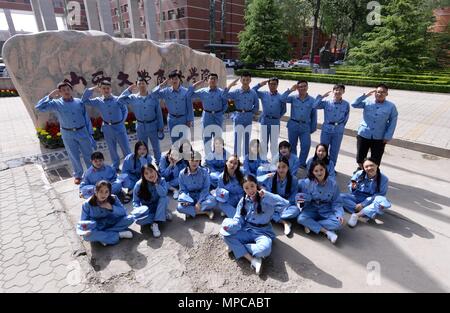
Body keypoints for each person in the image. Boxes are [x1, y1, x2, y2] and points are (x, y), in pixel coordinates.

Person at [220, 175, 284, 275]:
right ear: (243, 189)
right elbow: (238, 219)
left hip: (263, 232)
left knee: (264, 250)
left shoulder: (266, 198)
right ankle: (253, 260)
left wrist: (267, 195)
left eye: (252, 186)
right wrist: (231, 226)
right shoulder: (243, 201)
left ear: (256, 185)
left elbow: (284, 204)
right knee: (225, 235)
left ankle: (237, 247)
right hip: (247, 229)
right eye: (246, 188)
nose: (250, 190)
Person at [35, 81, 95, 184]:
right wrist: (50, 96)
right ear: (59, 92)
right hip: (68, 134)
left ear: (71, 90)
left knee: (88, 153)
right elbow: (39, 107)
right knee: (73, 155)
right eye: (63, 90)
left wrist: (90, 134)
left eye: (68, 89)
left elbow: (86, 118)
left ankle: (92, 173)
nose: (66, 91)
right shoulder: (56, 103)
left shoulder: (79, 102)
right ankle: (78, 175)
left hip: (82, 131)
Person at [82, 80, 131, 171]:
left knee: (126, 148)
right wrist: (92, 89)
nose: (106, 90)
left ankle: (130, 166)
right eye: (103, 88)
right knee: (112, 149)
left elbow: (125, 111)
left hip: (119, 127)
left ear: (111, 89)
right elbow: (84, 100)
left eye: (108, 88)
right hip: (107, 128)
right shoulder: (98, 101)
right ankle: (116, 166)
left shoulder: (118, 99)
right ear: (100, 90)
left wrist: (121, 121)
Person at [351, 84, 398, 170]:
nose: (380, 94)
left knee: (376, 159)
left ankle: (373, 175)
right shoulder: (367, 102)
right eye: (378, 92)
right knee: (360, 158)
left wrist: (388, 136)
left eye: (383, 92)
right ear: (375, 92)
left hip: (379, 137)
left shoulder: (391, 106)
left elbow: (393, 122)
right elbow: (354, 104)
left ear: (387, 94)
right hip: (364, 134)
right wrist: (364, 96)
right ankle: (361, 172)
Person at [297, 160, 345, 244]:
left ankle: (311, 225)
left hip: (326, 210)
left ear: (325, 169)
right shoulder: (306, 182)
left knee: (339, 223)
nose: (319, 173)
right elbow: (297, 192)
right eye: (316, 171)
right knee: (301, 219)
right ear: (312, 172)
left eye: (321, 169)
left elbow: (337, 202)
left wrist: (339, 215)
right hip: (312, 208)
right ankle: (327, 232)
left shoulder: (333, 184)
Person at [118, 77, 164, 164]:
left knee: (156, 147)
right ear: (137, 85)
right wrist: (128, 90)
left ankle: (159, 163)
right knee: (142, 147)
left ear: (147, 85)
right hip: (140, 126)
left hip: (153, 125)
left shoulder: (153, 97)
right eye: (139, 83)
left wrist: (160, 127)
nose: (142, 85)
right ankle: (145, 164)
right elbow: (120, 100)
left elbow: (159, 113)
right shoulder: (133, 98)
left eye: (143, 83)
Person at [77, 181, 134, 246]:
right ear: (96, 192)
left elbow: (123, 212)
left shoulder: (113, 198)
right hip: (97, 226)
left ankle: (103, 237)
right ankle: (119, 235)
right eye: (101, 191)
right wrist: (86, 230)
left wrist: (111, 207)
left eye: (106, 192)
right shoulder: (87, 204)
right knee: (86, 237)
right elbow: (84, 221)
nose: (103, 194)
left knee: (130, 218)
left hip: (112, 222)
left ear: (109, 192)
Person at [341, 158, 391, 227]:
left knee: (382, 201)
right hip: (357, 197)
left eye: (371, 165)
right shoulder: (359, 174)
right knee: (339, 197)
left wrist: (363, 204)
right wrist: (352, 187)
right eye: (366, 167)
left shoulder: (384, 179)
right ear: (363, 168)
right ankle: (365, 213)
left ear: (377, 165)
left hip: (371, 200)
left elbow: (379, 194)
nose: (369, 168)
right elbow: (351, 185)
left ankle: (356, 215)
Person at [258, 156, 299, 236]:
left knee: (296, 210)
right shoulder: (272, 177)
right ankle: (284, 222)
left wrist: (284, 206)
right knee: (263, 205)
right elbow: (269, 195)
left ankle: (274, 217)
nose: (281, 170)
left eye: (284, 167)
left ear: (288, 167)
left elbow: (293, 197)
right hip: (274, 204)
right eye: (278, 167)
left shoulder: (293, 179)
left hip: (286, 205)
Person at [189, 73, 228, 155]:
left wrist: (220, 113)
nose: (213, 80)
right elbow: (189, 94)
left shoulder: (221, 92)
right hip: (207, 116)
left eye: (214, 79)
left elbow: (225, 104)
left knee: (218, 138)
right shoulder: (203, 91)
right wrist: (197, 84)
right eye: (211, 78)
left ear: (217, 80)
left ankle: (217, 158)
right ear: (208, 81)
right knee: (207, 138)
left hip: (218, 116)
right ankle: (208, 158)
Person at [282, 80, 317, 168]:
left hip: (305, 126)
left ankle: (301, 162)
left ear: (307, 87)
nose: (302, 88)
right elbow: (282, 99)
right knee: (292, 145)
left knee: (306, 145)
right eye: (300, 87)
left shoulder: (312, 100)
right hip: (293, 124)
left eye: (304, 86)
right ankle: (294, 162)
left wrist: (313, 128)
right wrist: (290, 90)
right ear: (297, 88)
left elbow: (314, 115)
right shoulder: (293, 98)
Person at [223, 71, 259, 158]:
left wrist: (251, 113)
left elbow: (256, 105)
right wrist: (231, 85)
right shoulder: (236, 92)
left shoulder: (253, 93)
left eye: (247, 80)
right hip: (238, 116)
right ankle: (236, 157)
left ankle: (246, 157)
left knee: (247, 138)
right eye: (244, 80)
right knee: (237, 138)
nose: (245, 82)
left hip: (248, 117)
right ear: (241, 80)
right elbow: (224, 95)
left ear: (250, 80)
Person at [152, 70, 194, 143]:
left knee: (183, 141)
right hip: (172, 120)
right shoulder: (166, 91)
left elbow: (189, 107)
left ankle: (183, 154)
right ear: (170, 80)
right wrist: (161, 85)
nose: (174, 80)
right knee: (174, 142)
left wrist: (189, 120)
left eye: (176, 78)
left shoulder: (185, 91)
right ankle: (176, 154)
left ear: (179, 80)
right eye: (172, 79)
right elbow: (153, 94)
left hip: (183, 119)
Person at [313, 84, 350, 167]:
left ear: (343, 92)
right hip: (327, 128)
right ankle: (321, 166)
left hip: (338, 129)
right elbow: (314, 106)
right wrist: (321, 97)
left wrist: (341, 126)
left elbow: (346, 117)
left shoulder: (346, 104)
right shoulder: (327, 102)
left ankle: (331, 167)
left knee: (335, 150)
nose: (338, 91)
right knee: (323, 148)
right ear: (333, 91)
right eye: (336, 90)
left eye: (340, 90)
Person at [252, 77, 287, 160]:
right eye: (271, 84)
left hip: (275, 121)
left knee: (274, 143)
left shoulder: (281, 97)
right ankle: (263, 159)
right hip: (265, 120)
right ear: (268, 84)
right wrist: (260, 84)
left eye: (274, 84)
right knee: (263, 142)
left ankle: (274, 160)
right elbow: (253, 91)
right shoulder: (263, 94)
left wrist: (277, 116)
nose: (272, 86)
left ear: (277, 85)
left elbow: (284, 110)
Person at [132, 164, 170, 237]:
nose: (150, 175)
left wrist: (156, 184)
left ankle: (155, 223)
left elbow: (163, 194)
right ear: (143, 175)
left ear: (155, 171)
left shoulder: (161, 180)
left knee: (164, 199)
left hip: (159, 206)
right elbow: (135, 201)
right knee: (138, 220)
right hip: (147, 210)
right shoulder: (138, 185)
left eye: (151, 171)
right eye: (146, 173)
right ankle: (162, 216)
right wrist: (138, 211)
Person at [177, 151, 216, 219]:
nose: (194, 163)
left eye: (197, 160)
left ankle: (191, 212)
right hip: (190, 196)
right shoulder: (182, 174)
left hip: (202, 195)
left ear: (199, 161)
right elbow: (183, 190)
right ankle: (205, 212)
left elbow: (205, 189)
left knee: (213, 201)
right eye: (192, 160)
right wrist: (185, 200)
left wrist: (199, 202)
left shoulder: (204, 172)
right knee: (179, 207)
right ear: (188, 160)